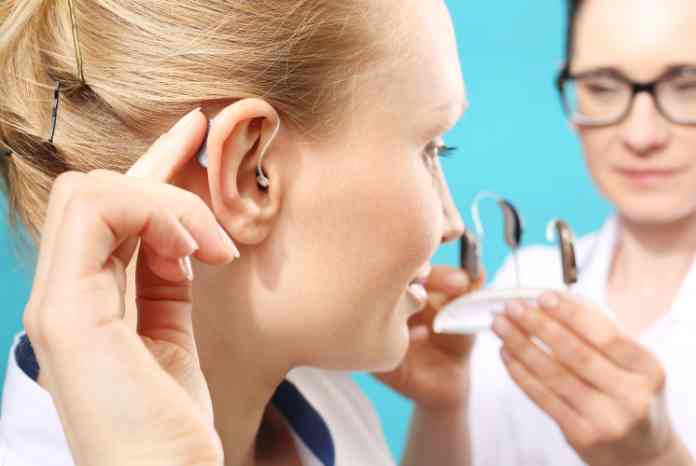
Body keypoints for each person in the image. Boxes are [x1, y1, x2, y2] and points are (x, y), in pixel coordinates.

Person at [0, 0, 481, 465]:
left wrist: (443, 412)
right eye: (431, 148)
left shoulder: (326, 409)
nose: (452, 222)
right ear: (250, 173)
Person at [465, 0, 696, 465]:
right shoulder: (522, 283)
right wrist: (443, 404)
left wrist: (655, 459)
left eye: (689, 86)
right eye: (602, 87)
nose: (641, 135)